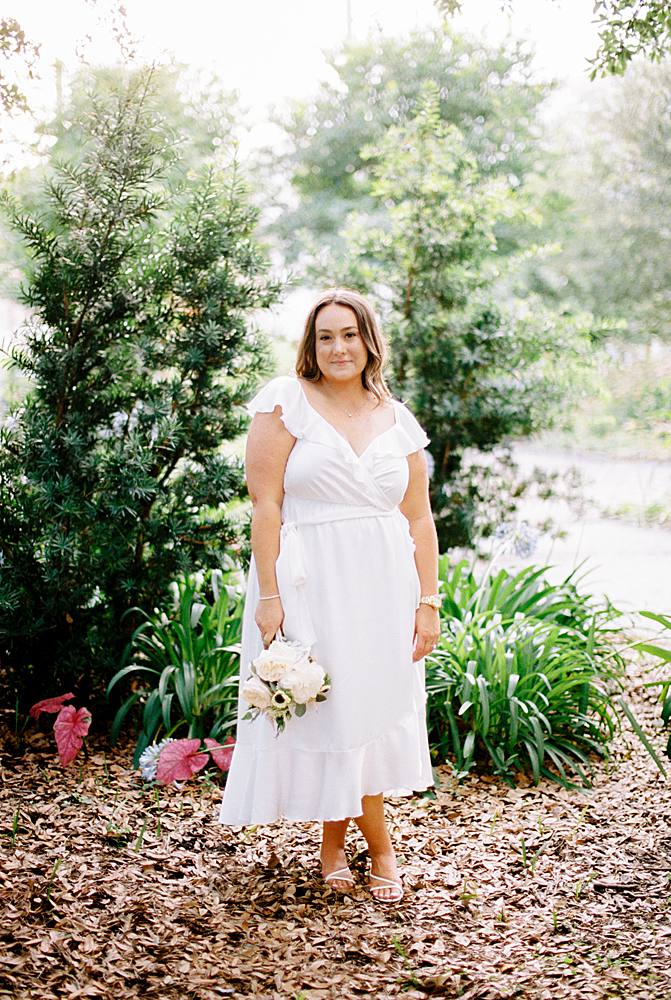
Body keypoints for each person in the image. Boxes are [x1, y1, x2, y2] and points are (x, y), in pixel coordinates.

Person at [219, 287, 440, 904]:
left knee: (367, 708)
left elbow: (420, 520)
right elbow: (266, 505)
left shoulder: (396, 417)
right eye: (325, 336)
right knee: (332, 706)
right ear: (311, 346)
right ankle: (381, 847)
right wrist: (268, 595)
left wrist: (429, 601)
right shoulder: (285, 404)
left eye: (349, 334)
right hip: (310, 577)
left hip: (384, 583)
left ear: (369, 341)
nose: (338, 347)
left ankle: (335, 845)